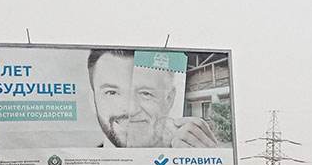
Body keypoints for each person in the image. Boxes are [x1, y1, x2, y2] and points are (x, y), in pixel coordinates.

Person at [87, 48, 218, 149]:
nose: (131, 110)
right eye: (112, 93)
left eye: (145, 93)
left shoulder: (184, 156)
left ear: (169, 99)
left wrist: (208, 164)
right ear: (92, 101)